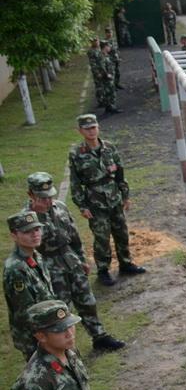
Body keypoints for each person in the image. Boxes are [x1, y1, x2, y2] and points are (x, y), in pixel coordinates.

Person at [26, 173, 125, 352]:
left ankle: (99, 336)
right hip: (49, 267)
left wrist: (81, 259)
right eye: (43, 198)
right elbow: (30, 248)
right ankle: (64, 349)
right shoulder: (27, 219)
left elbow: (73, 236)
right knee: (60, 309)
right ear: (31, 195)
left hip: (70, 259)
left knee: (87, 300)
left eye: (50, 196)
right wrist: (39, 216)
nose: (48, 201)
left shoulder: (60, 207)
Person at [68, 114, 146, 286]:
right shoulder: (76, 154)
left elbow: (120, 174)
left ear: (98, 128)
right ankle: (103, 270)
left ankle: (126, 264)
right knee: (102, 237)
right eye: (87, 128)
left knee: (121, 232)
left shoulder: (109, 148)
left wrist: (125, 195)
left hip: (114, 198)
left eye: (94, 127)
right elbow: (75, 183)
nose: (91, 131)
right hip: (95, 202)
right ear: (80, 130)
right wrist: (82, 206)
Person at [4, 210, 55, 359]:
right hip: (36, 336)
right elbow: (26, 312)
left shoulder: (35, 256)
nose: (35, 234)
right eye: (27, 232)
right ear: (14, 235)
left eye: (37, 229)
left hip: (49, 328)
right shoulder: (16, 269)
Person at [95, 41, 119, 115]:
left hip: (109, 77)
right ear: (105, 47)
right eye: (108, 46)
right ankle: (112, 107)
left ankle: (109, 107)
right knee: (110, 92)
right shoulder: (102, 56)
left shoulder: (106, 55)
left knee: (109, 92)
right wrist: (107, 75)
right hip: (107, 78)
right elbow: (102, 67)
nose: (110, 48)